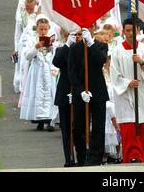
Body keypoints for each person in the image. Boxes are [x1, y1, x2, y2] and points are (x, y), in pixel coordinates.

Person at [110, 18, 144, 163]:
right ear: (123, 32)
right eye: (127, 30)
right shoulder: (117, 51)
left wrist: (141, 63)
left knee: (143, 124)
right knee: (129, 125)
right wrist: (128, 83)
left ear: (138, 31)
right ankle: (133, 156)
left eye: (133, 30)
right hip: (126, 93)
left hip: (142, 90)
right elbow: (114, 74)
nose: (130, 34)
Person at [68, 28, 109, 166]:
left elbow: (101, 60)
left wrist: (91, 43)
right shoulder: (74, 48)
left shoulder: (101, 45)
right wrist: (80, 91)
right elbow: (71, 73)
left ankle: (95, 158)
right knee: (78, 127)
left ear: (92, 29)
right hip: (81, 92)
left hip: (98, 90)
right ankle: (82, 157)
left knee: (98, 127)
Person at [19, 14, 58, 131]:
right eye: (41, 29)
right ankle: (39, 119)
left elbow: (55, 54)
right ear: (36, 28)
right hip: (37, 70)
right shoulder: (32, 39)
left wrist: (51, 47)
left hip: (48, 69)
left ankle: (50, 119)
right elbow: (27, 56)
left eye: (45, 29)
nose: (43, 31)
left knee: (50, 93)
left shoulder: (52, 38)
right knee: (37, 92)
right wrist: (35, 48)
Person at [52, 31, 78, 167]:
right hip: (65, 92)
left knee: (79, 128)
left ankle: (81, 156)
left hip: (80, 92)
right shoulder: (61, 49)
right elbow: (56, 62)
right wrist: (67, 45)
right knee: (66, 128)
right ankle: (69, 158)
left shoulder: (83, 49)